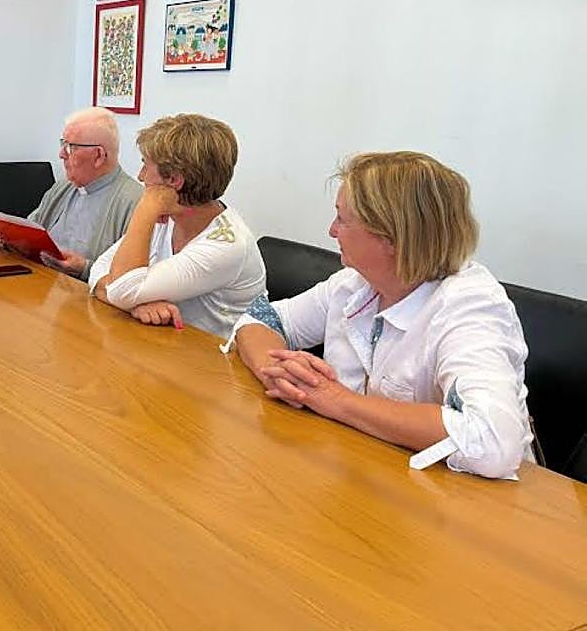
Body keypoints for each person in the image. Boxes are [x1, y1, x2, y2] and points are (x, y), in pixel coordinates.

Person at [225, 151, 534, 480]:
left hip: (470, 504)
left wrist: (334, 399)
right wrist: (279, 373)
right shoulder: (356, 282)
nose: (332, 231)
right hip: (365, 471)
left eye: (343, 219)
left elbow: (490, 442)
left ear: (390, 236)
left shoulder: (471, 307)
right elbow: (259, 319)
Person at [88, 113, 265, 336]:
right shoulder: (170, 216)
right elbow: (99, 270)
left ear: (173, 180)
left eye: (145, 165)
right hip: (169, 344)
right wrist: (135, 303)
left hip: (217, 362)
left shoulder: (227, 245)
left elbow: (119, 289)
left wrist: (145, 210)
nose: (140, 176)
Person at [0, 107, 142, 281]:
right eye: (63, 144)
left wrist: (84, 269)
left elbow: (129, 280)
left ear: (98, 155)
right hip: (40, 288)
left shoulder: (134, 203)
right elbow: (30, 231)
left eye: (70, 148)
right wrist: (4, 239)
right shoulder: (62, 188)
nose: (61, 154)